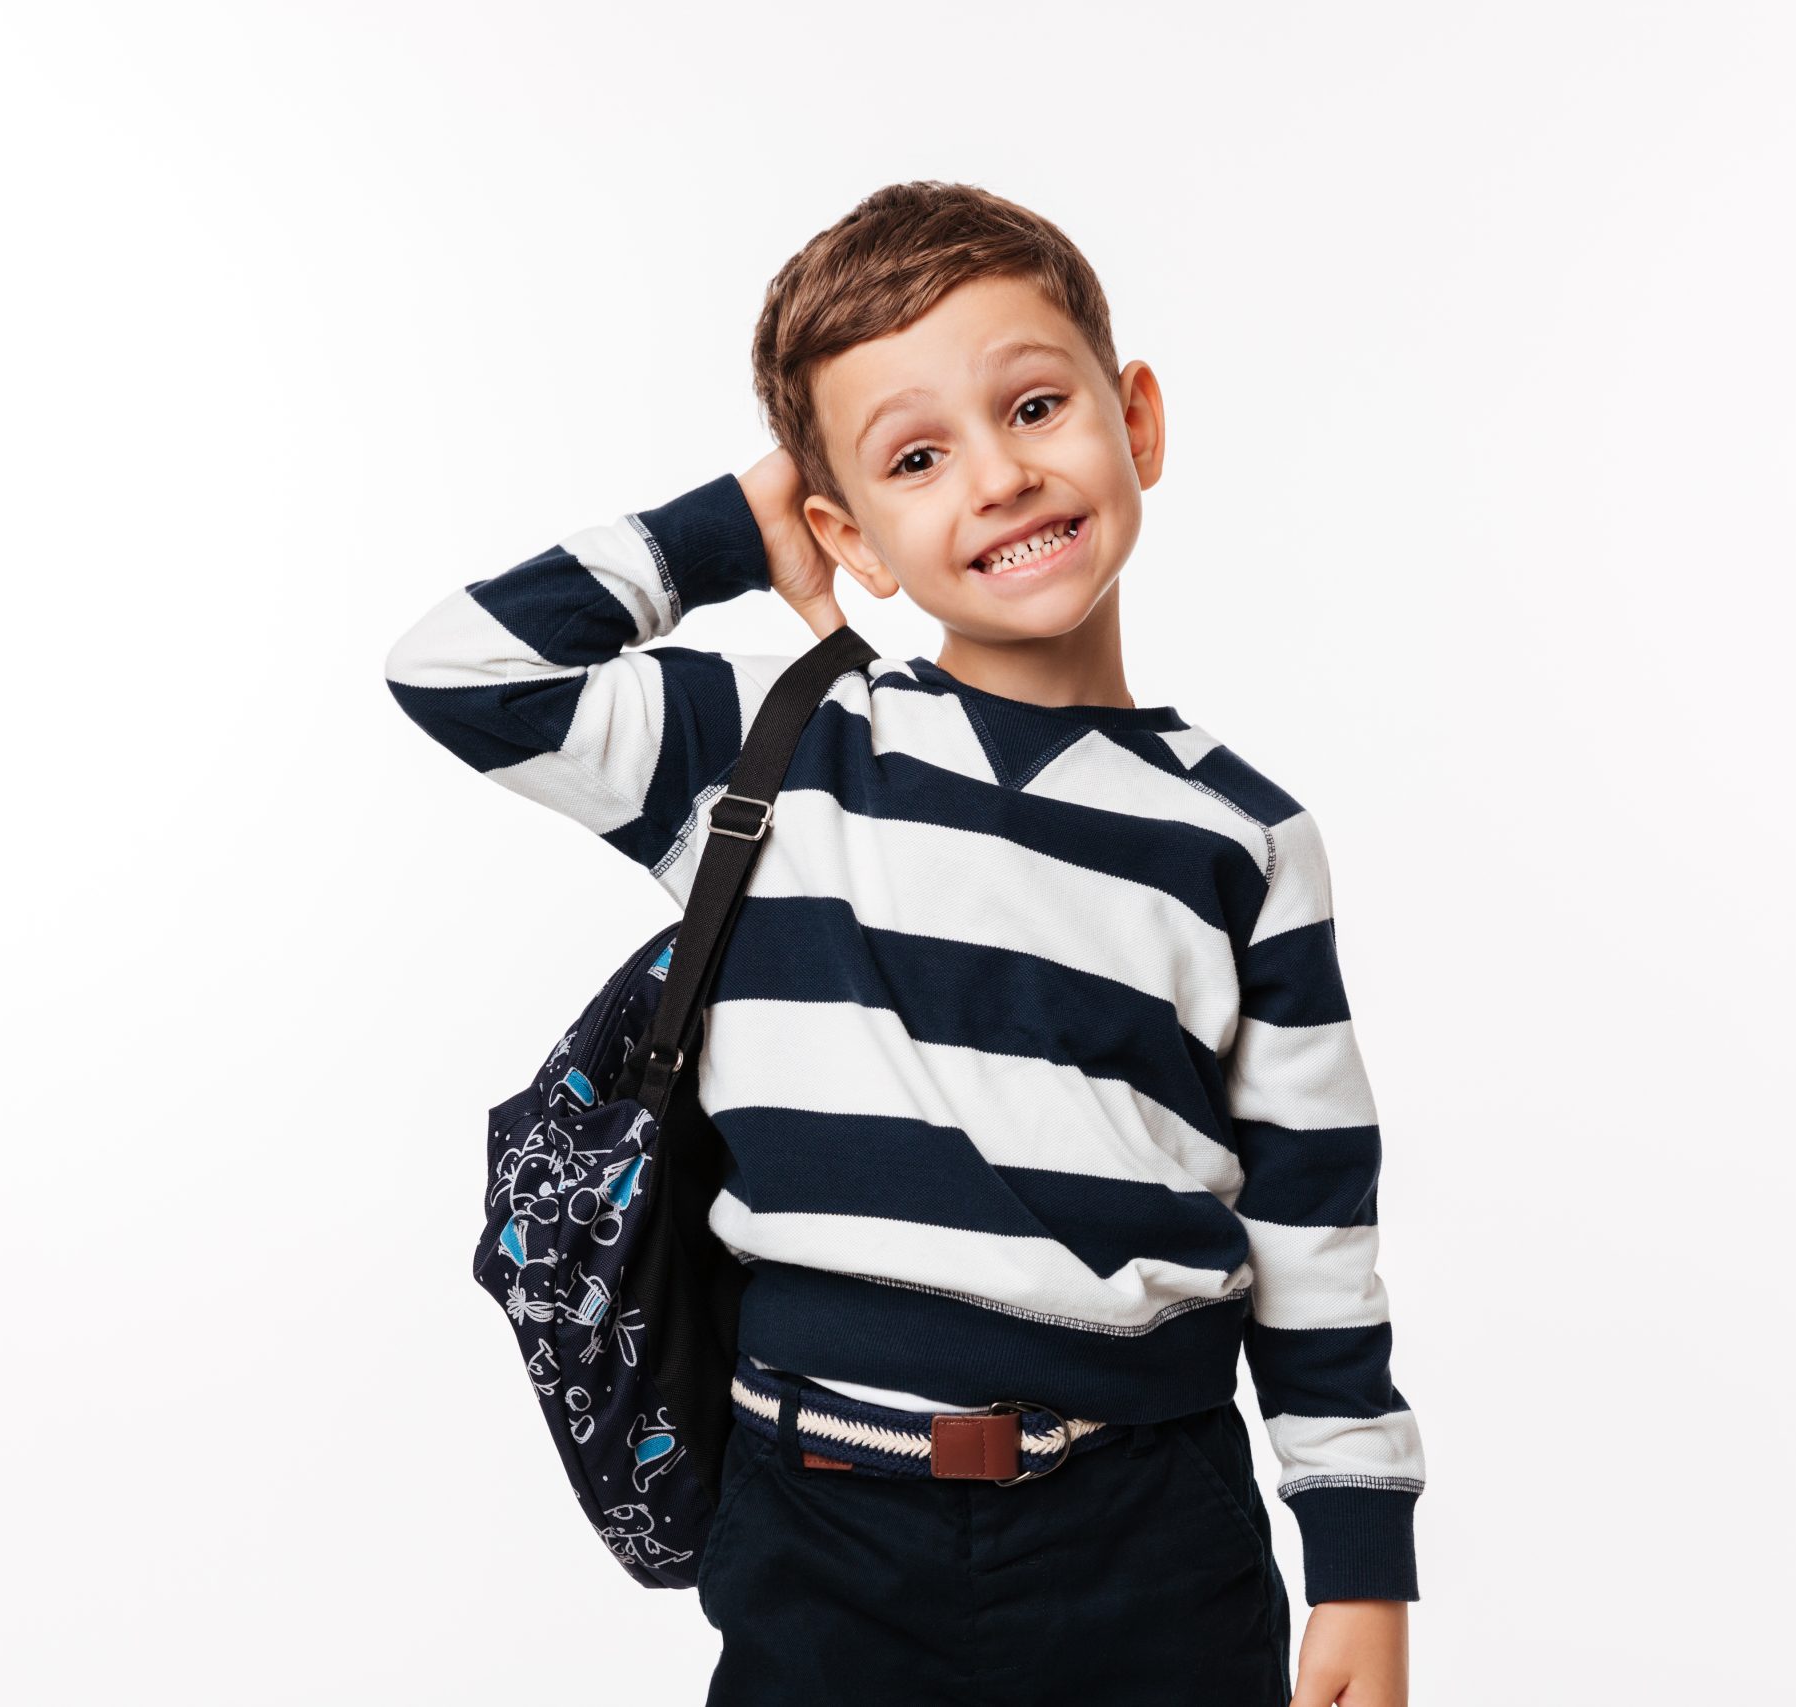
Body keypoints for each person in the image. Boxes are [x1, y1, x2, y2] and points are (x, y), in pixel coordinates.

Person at [384, 179, 1425, 1707]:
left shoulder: (1246, 837)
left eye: (1037, 406)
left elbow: (1316, 1228)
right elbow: (459, 668)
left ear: (1135, 421)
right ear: (845, 530)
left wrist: (1360, 1567)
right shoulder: (774, 748)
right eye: (916, 458)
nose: (997, 477)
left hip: (1151, 1531)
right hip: (821, 1521)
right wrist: (736, 529)